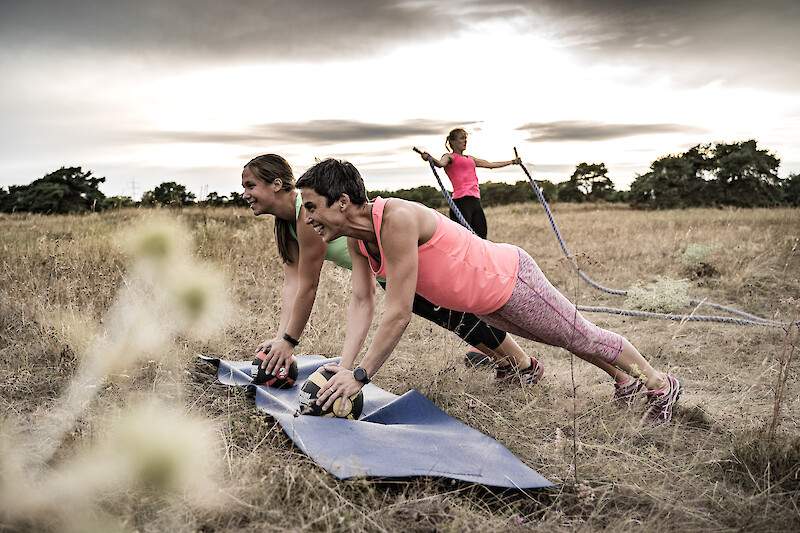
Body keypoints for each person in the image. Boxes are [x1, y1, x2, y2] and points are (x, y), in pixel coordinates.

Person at [295, 158, 682, 423]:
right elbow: (362, 300)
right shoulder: (359, 239)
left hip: (512, 281)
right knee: (566, 339)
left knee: (582, 335)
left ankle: (659, 385)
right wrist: (345, 365)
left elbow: (398, 313)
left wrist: (361, 375)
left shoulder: (395, 219)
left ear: (342, 202)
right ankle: (625, 381)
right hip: (487, 304)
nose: (307, 217)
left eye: (311, 206)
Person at [241, 154, 541, 387]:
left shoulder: (306, 214)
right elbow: (295, 284)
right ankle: (508, 362)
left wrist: (289, 342)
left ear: (276, 184)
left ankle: (522, 365)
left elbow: (308, 286)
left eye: (250, 185)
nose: (245, 193)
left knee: (461, 317)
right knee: (454, 320)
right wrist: (283, 340)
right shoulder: (288, 224)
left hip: (404, 262)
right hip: (381, 269)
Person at [418, 128, 519, 240]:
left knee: (481, 236)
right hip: (461, 202)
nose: (465, 141)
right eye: (462, 138)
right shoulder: (449, 157)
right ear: (452, 141)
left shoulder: (470, 159)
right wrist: (430, 158)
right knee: (463, 238)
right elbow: (440, 164)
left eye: (466, 138)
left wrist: (512, 162)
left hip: (475, 201)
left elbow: (490, 164)